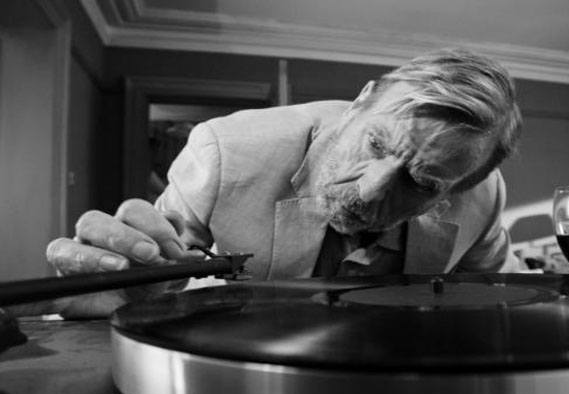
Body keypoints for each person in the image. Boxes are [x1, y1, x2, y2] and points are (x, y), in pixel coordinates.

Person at [44, 48, 522, 317]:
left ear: (459, 188)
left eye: (420, 182)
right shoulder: (225, 151)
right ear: (360, 103)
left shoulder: (483, 195)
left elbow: (513, 296)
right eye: (376, 144)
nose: (370, 190)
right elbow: (162, 270)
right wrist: (129, 287)